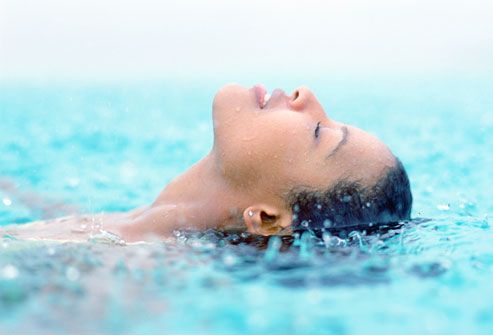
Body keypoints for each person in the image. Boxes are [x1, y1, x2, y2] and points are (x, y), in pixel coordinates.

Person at [1, 84, 412, 243]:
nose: (307, 96)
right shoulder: (121, 228)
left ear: (268, 217)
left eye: (320, 133)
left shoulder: (122, 269)